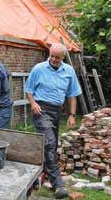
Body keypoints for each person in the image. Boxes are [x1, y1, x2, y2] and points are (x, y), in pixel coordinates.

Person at [24, 43, 82, 199]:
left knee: (51, 144)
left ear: (63, 57)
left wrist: (71, 115)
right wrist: (33, 103)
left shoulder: (69, 71)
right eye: (52, 56)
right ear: (49, 54)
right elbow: (28, 90)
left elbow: (73, 94)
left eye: (58, 57)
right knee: (49, 143)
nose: (54, 59)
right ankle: (58, 185)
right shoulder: (39, 68)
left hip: (57, 111)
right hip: (41, 109)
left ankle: (39, 173)